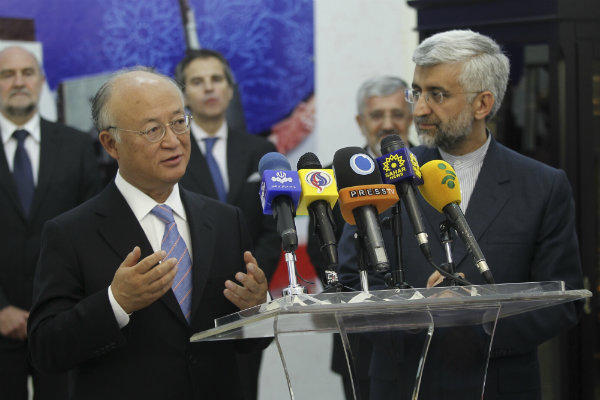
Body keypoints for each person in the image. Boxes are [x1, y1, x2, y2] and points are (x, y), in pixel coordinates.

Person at [337, 30, 583, 399]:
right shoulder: (378, 177)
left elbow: (562, 300)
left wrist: (480, 317)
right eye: (416, 92)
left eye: (437, 95)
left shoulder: (542, 186)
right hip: (402, 384)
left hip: (498, 384)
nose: (418, 110)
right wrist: (415, 312)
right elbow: (347, 286)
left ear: (482, 104)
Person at [27, 68, 270, 400]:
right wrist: (115, 303)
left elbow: (248, 343)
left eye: (179, 122)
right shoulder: (70, 232)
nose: (173, 141)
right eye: (153, 130)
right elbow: (46, 349)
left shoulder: (226, 220)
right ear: (111, 144)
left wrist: (258, 308)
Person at [175, 49, 280, 400]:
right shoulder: (172, 153)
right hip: (189, 300)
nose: (209, 89)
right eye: (197, 81)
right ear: (183, 93)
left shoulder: (260, 150)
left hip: (246, 303)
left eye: (216, 79)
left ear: (230, 90)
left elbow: (273, 229)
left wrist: (250, 283)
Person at [0, 46, 102, 400]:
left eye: (27, 73)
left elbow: (92, 230)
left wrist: (68, 307)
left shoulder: (76, 146)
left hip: (63, 323)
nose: (18, 82)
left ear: (41, 81)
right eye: (6, 74)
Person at [304, 75, 413, 400]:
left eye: (397, 114)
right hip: (359, 333)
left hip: (424, 329)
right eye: (377, 115)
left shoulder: (422, 173)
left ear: (411, 118)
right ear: (360, 121)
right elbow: (319, 250)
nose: (387, 124)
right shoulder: (327, 178)